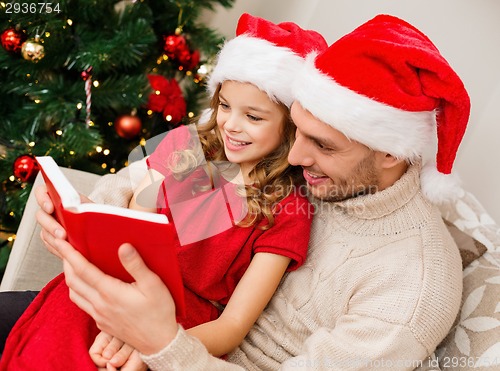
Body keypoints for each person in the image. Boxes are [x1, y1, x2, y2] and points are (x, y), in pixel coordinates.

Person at [3, 13, 469, 370]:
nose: (297, 159)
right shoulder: (311, 173)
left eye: (321, 145)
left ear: (390, 151)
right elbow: (147, 184)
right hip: (120, 308)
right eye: (298, 132)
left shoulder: (410, 290)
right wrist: (81, 213)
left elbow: (223, 324)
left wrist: (159, 343)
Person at [0, 14, 328, 370]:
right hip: (112, 294)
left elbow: (232, 327)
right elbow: (131, 229)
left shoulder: (287, 211)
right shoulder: (186, 148)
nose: (231, 125)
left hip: (180, 331)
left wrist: (147, 342)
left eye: (254, 117)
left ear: (290, 129)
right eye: (225, 106)